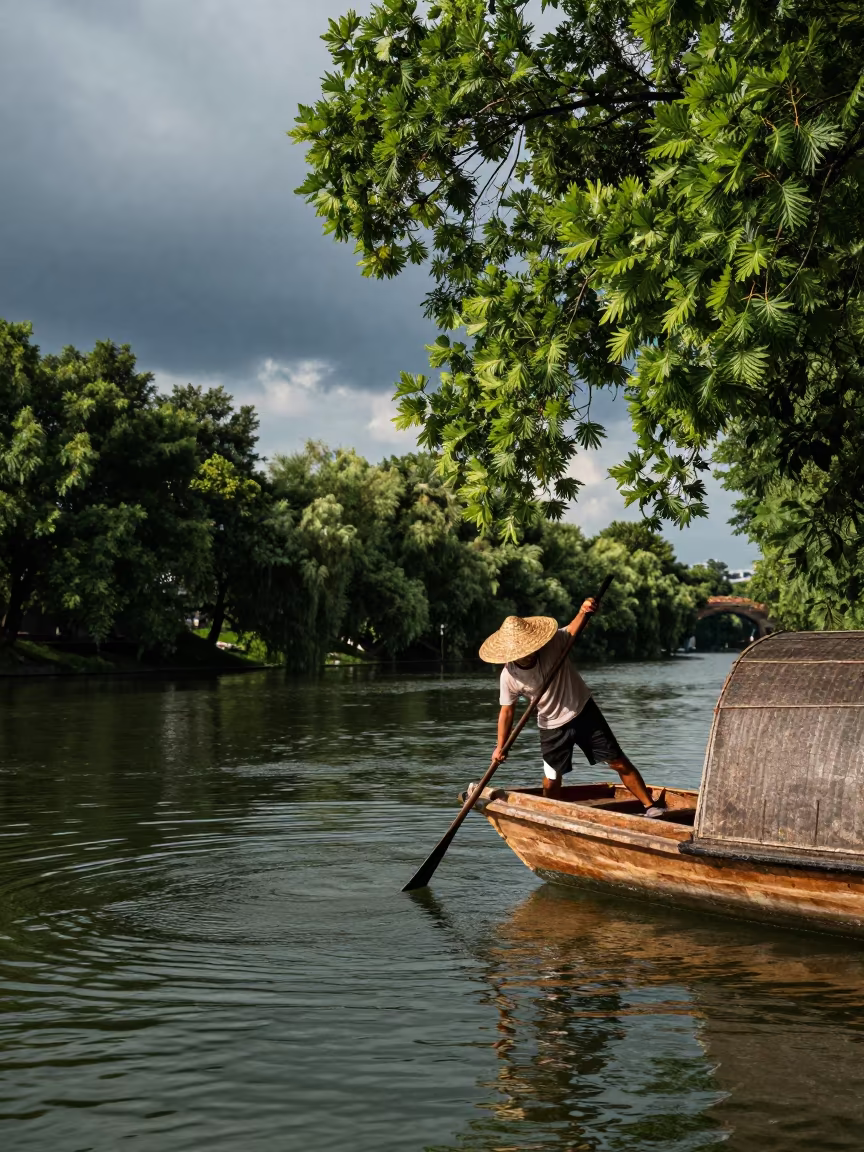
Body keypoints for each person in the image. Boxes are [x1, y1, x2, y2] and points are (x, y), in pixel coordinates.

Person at [479, 599, 666, 817]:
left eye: (530, 647)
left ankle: (650, 806)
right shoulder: (509, 676)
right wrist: (500, 746)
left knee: (618, 762)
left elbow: (574, 628)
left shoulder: (553, 643)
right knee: (551, 781)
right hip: (551, 726)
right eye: (522, 651)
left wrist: (584, 611)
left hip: (583, 711)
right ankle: (551, 817)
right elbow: (507, 711)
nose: (529, 652)